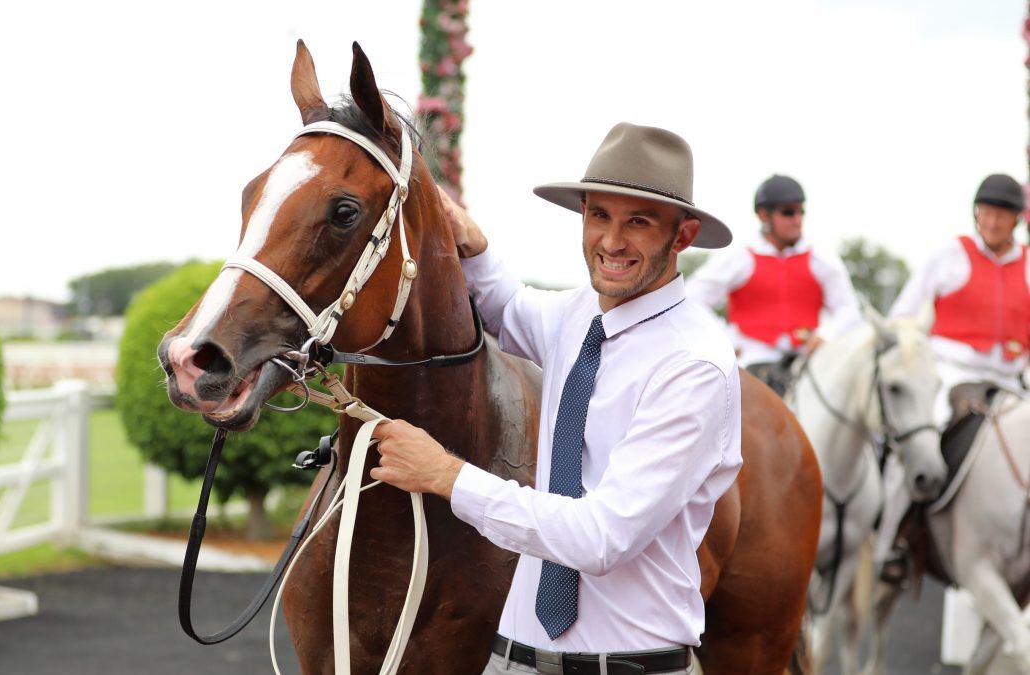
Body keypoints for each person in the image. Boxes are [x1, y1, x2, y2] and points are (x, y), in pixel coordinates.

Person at [369, 122, 743, 674]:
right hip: (510, 661)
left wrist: (446, 475)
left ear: (682, 237)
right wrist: (472, 243)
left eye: (638, 222)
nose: (612, 241)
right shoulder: (579, 315)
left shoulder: (694, 365)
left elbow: (601, 537)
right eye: (599, 215)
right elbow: (508, 307)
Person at [875, 173, 1029, 579]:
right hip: (951, 371)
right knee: (918, 439)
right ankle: (891, 542)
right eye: (986, 213)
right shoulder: (948, 256)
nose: (992, 222)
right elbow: (904, 315)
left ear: (1017, 219)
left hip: (1010, 381)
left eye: (1001, 215)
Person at [688, 175, 861, 394]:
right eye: (788, 212)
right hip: (752, 358)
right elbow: (693, 298)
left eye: (801, 211)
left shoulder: (822, 258)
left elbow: (850, 310)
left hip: (806, 359)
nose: (797, 219)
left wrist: (827, 334)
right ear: (764, 215)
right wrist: (727, 339)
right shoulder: (739, 256)